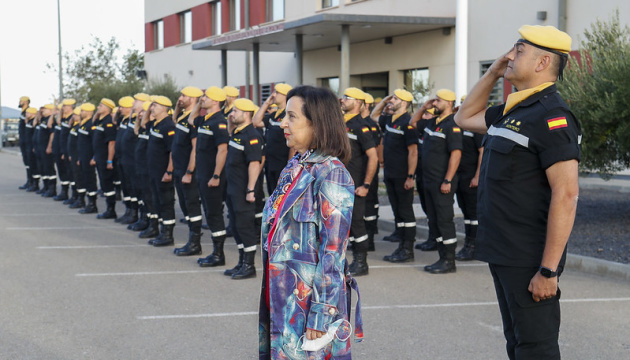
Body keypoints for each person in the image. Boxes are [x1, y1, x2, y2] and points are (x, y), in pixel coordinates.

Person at [454, 25, 580, 359]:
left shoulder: (552, 117)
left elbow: (566, 195)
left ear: (542, 63)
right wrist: (494, 73)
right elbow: (464, 117)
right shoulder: (513, 111)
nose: (510, 55)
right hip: (504, 252)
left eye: (519, 51)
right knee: (517, 343)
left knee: (536, 348)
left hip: (530, 258)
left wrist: (548, 271)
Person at [259, 85, 363, 359]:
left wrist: (321, 313)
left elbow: (333, 252)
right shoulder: (297, 165)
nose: (283, 123)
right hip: (284, 295)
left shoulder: (332, 174)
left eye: (291, 117)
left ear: (317, 124)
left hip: (309, 305)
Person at [416, 89, 463, 274]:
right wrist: (423, 107)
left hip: (441, 182)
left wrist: (448, 180)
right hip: (428, 181)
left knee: (444, 221)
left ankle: (449, 261)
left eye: (438, 101)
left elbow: (456, 154)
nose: (434, 103)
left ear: (449, 103)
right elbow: (414, 123)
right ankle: (441, 257)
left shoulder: (452, 125)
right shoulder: (432, 123)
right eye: (434, 100)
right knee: (434, 220)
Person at [371, 90, 418, 262]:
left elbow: (413, 152)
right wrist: (385, 101)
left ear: (404, 103)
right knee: (398, 211)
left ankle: (408, 249)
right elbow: (374, 115)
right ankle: (401, 246)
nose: (392, 100)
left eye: (396, 99)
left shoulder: (408, 122)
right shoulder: (390, 120)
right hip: (390, 174)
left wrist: (410, 176)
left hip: (403, 175)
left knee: (406, 212)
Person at [223, 98, 264, 280]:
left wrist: (250, 190)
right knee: (236, 226)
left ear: (246, 114)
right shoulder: (238, 133)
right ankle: (241, 261)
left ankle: (249, 265)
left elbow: (255, 164)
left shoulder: (252, 135)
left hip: (242, 190)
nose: (231, 114)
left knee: (245, 227)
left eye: (235, 111)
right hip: (232, 188)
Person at [341, 87, 378, 276]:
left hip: (355, 185)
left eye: (347, 98)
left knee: (357, 223)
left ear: (357, 103)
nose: (342, 99)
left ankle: (361, 262)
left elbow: (373, 157)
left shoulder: (360, 126)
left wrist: (365, 185)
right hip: (338, 184)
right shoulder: (340, 122)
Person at [192, 86, 230, 267]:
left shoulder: (219, 122)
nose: (202, 99)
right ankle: (215, 252)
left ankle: (218, 254)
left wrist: (216, 175)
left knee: (215, 214)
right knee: (209, 212)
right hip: (202, 175)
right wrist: (198, 104)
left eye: (206, 97)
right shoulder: (206, 120)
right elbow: (192, 119)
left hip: (212, 177)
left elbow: (223, 150)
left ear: (215, 101)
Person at [171, 86, 205, 256]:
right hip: (178, 170)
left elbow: (195, 148)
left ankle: (195, 243)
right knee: (185, 206)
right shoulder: (183, 117)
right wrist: (178, 106)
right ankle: (192, 240)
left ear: (193, 99)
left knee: (192, 206)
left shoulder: (194, 120)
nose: (180, 97)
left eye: (184, 95)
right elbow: (174, 119)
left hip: (188, 172)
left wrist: (190, 171)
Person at [252, 83, 294, 196]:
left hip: (282, 163)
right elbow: (256, 122)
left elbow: (293, 143)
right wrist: (266, 103)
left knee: (282, 197)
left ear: (285, 96)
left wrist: (290, 166)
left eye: (277, 92)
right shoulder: (274, 115)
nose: (273, 94)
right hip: (271, 163)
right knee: (272, 195)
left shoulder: (289, 115)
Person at [146, 96, 177, 247]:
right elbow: (143, 122)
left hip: (164, 172)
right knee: (158, 202)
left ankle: (167, 235)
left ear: (164, 108)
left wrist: (169, 171)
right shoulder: (155, 124)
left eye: (155, 106)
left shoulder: (168, 126)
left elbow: (172, 151)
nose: (152, 108)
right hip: (154, 171)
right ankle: (160, 232)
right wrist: (148, 109)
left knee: (166, 203)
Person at [454, 112, 484, 261]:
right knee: (466, 212)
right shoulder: (459, 127)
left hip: (471, 176)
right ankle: (468, 243)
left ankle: (473, 246)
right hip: (460, 176)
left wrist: (477, 176)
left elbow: (482, 152)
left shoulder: (476, 129)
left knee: (473, 214)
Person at [361, 93, 382, 252]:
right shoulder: (357, 123)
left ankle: (370, 239)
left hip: (369, 170)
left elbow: (376, 149)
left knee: (369, 205)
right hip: (358, 170)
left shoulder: (370, 124)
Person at [92, 99, 118, 219]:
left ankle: (111, 209)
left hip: (105, 158)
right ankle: (109, 209)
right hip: (99, 157)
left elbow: (111, 143)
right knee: (104, 184)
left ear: (107, 108)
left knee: (107, 185)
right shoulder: (100, 121)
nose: (98, 107)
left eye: (100, 106)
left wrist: (109, 160)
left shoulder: (108, 122)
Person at [76, 103, 99, 214]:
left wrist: (94, 157)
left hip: (89, 158)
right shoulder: (83, 124)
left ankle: (92, 204)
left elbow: (95, 143)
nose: (81, 113)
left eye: (83, 111)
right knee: (85, 179)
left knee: (90, 180)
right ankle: (86, 202)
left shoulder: (91, 125)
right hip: (83, 157)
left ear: (89, 112)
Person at [52, 99, 75, 201]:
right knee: (62, 171)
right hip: (60, 148)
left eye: (65, 106)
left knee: (71, 172)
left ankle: (75, 195)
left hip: (68, 149)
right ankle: (64, 192)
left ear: (71, 107)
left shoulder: (72, 118)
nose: (63, 108)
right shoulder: (63, 119)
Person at [67, 107, 86, 209]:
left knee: (79, 178)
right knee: (74, 177)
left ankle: (81, 199)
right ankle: (76, 197)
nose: (74, 117)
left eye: (76, 115)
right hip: (73, 156)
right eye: (73, 115)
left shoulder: (80, 128)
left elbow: (80, 144)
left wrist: (78, 157)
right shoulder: (75, 126)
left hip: (78, 156)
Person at [18, 96, 32, 190]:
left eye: (21, 101)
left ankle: (32, 182)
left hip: (27, 141)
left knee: (30, 161)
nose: (19, 102)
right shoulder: (23, 112)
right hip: (23, 140)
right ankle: (29, 181)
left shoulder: (28, 111)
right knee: (26, 162)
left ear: (26, 102)